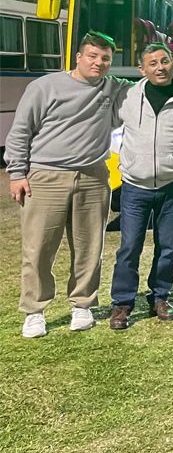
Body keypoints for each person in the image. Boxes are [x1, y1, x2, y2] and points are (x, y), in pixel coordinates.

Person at [7, 32, 147, 337]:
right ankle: (34, 311)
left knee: (89, 247)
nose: (99, 63)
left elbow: (152, 85)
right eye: (93, 56)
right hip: (46, 176)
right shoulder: (44, 87)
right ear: (79, 57)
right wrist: (17, 174)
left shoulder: (112, 88)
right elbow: (20, 132)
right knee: (38, 248)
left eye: (105, 58)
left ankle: (82, 305)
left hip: (93, 177)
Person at [109, 43, 173, 330]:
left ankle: (160, 297)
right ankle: (122, 302)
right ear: (142, 69)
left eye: (164, 61)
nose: (160, 67)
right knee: (129, 247)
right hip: (134, 187)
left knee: (167, 247)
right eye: (152, 63)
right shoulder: (128, 96)